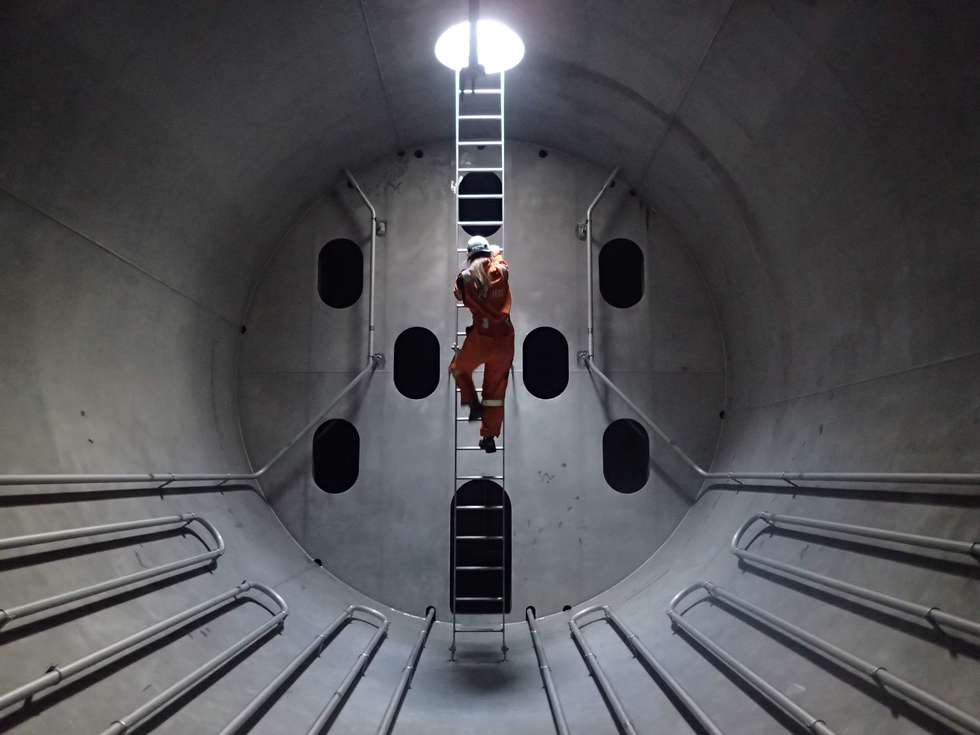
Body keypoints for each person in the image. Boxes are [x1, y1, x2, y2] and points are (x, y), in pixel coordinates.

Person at [451, 235, 514, 453]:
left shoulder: (465, 278)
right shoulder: (502, 271)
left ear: (469, 256)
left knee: (459, 369)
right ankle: (489, 436)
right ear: (488, 252)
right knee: (495, 394)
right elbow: (500, 259)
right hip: (505, 339)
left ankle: (472, 403)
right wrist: (495, 253)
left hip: (482, 338)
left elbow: (458, 295)